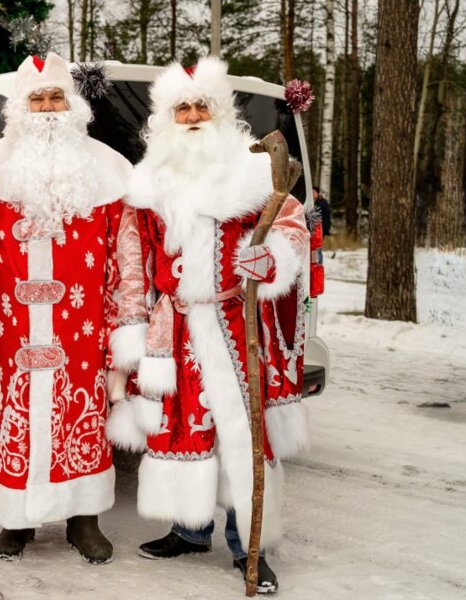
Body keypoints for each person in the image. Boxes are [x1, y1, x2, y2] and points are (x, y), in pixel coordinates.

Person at [110, 57, 311, 594]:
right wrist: (132, 328)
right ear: (166, 118)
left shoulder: (250, 172)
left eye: (203, 106)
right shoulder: (149, 182)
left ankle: (251, 545)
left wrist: (270, 262)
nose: (194, 115)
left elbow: (290, 225)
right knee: (183, 426)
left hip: (233, 318)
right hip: (173, 325)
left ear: (220, 113)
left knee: (242, 434)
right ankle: (188, 529)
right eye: (183, 107)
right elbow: (131, 261)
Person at [0, 53, 147, 564]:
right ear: (19, 108)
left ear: (74, 104)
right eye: (36, 98)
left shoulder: (110, 169)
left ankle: (83, 518)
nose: (47, 108)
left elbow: (127, 253)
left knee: (80, 418)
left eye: (56, 97)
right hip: (13, 326)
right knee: (15, 421)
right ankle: (16, 520)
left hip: (82, 329)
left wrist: (125, 324)